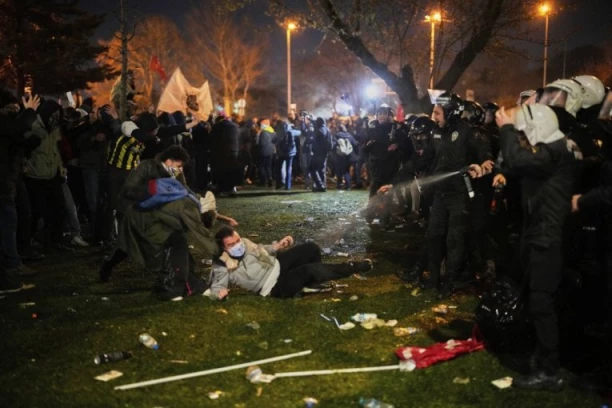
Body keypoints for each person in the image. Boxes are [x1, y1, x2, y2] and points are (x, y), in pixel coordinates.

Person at [496, 104, 580, 391]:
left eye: (522, 134)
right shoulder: (558, 148)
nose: (521, 139)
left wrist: (506, 128)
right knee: (538, 300)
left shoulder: (553, 151)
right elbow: (514, 163)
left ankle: (550, 369)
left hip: (546, 236)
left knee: (542, 303)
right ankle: (543, 356)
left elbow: (518, 161)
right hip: (541, 233)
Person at [100, 146, 217, 301]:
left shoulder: (176, 174)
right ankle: (108, 265)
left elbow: (184, 191)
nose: (180, 169)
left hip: (159, 217)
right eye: (178, 165)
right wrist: (155, 194)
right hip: (138, 214)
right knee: (127, 246)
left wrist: (200, 203)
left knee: (173, 243)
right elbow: (129, 190)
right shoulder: (147, 167)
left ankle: (186, 282)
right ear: (168, 161)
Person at [420, 92, 492, 298]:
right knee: (434, 236)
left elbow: (483, 150)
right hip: (439, 194)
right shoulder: (436, 131)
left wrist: (484, 163)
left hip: (459, 195)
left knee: (455, 239)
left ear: (450, 112)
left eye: (438, 112)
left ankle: (449, 282)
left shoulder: (467, 131)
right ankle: (432, 278)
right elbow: (425, 159)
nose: (434, 116)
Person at [209, 226, 373, 300]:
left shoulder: (243, 242)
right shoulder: (222, 265)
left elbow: (259, 249)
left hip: (278, 265)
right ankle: (352, 267)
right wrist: (219, 294)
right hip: (271, 286)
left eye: (238, 240)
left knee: (311, 248)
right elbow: (216, 287)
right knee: (309, 270)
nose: (238, 245)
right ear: (222, 247)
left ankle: (311, 285)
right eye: (232, 244)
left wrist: (277, 246)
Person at [0, 92, 41, 293]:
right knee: (8, 224)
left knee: (12, 222)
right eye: (10, 108)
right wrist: (29, 111)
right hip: (3, 186)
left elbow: (17, 139)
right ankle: (11, 267)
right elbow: (15, 129)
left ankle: (12, 265)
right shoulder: (5, 124)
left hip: (9, 184)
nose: (13, 111)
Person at [310, 117, 333, 192]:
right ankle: (323, 185)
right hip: (324, 153)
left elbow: (317, 142)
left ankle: (320, 185)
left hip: (318, 153)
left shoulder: (319, 131)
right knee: (321, 170)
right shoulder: (327, 129)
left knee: (312, 168)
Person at [256, 119, 277, 187]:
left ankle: (263, 181)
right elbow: (274, 141)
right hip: (270, 151)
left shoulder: (262, 132)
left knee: (262, 166)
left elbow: (258, 142)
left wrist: (257, 135)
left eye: (261, 125)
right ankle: (270, 179)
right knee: (268, 166)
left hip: (263, 151)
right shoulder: (272, 131)